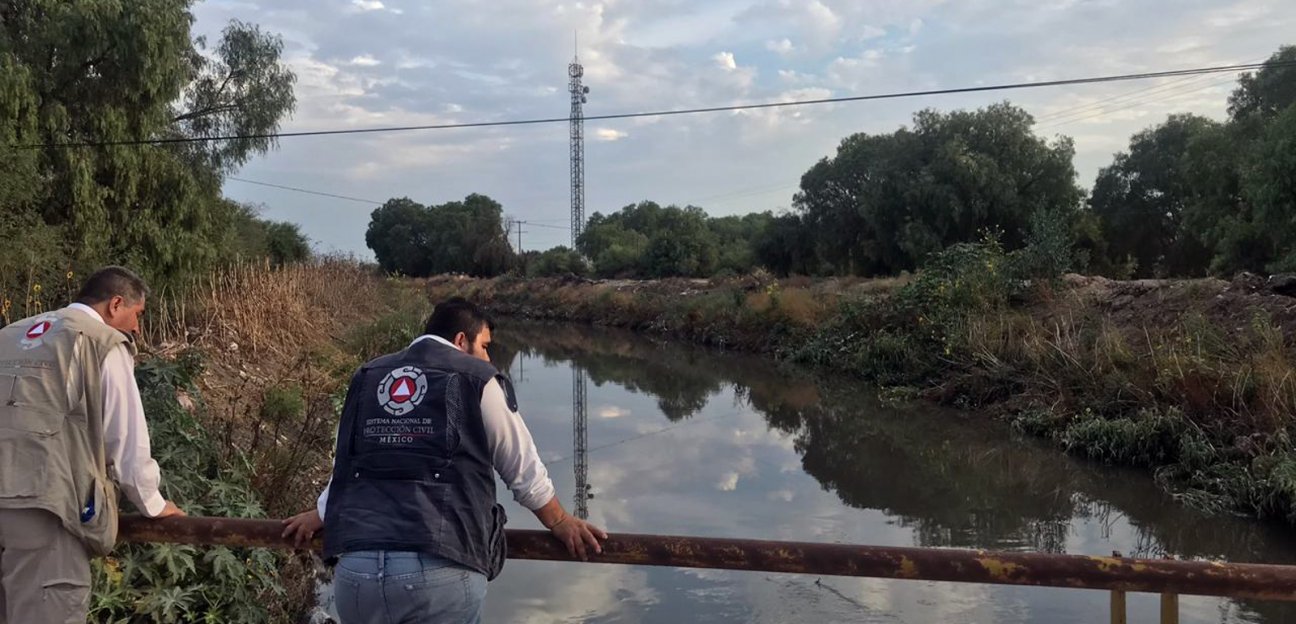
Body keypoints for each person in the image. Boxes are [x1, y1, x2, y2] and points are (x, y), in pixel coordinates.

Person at [283, 297, 606, 624]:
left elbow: (349, 462)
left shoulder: (367, 375)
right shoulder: (478, 378)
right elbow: (523, 471)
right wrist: (560, 521)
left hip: (356, 573)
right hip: (439, 572)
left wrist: (323, 512)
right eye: (484, 345)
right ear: (461, 340)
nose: (488, 357)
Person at [0, 266, 185, 624]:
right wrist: (154, 504)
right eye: (138, 315)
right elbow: (126, 439)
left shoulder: (10, 334)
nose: (137, 328)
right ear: (116, 304)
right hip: (47, 511)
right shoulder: (99, 342)